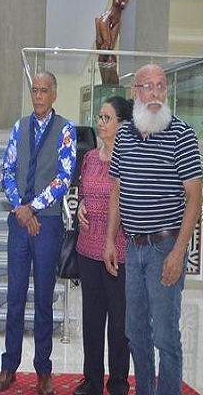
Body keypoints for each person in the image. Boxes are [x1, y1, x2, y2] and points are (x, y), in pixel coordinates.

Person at [104, 64, 202, 395]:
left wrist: (179, 252)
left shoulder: (182, 134)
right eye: (149, 86)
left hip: (166, 246)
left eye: (161, 86)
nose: (157, 93)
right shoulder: (124, 136)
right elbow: (117, 190)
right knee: (135, 332)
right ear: (135, 93)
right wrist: (109, 240)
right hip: (133, 247)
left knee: (165, 335)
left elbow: (195, 197)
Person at [0, 71, 76, 394]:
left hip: (48, 224)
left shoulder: (65, 129)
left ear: (54, 95)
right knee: (15, 296)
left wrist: (34, 207)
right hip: (19, 222)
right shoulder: (19, 127)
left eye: (44, 91)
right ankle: (9, 366)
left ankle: (44, 370)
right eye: (35, 90)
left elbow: (64, 176)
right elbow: (7, 170)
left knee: (44, 298)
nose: (38, 96)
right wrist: (20, 207)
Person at [73, 97, 132, 395]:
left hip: (119, 252)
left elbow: (129, 203)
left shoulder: (131, 161)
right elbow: (83, 192)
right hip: (87, 250)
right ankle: (92, 380)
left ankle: (118, 381)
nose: (100, 123)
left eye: (107, 118)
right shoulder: (90, 158)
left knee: (119, 322)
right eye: (99, 117)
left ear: (123, 124)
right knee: (92, 319)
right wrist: (81, 206)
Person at [95, 0, 131, 85]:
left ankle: (108, 83)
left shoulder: (117, 20)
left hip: (115, 20)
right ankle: (106, 83)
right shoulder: (104, 20)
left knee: (110, 53)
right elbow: (105, 46)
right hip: (108, 19)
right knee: (107, 51)